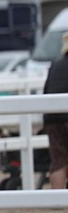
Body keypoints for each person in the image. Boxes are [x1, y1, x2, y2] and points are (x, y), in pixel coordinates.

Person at [42, 31, 68, 190]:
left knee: (58, 160)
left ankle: (57, 200)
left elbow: (46, 92)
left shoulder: (56, 66)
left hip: (53, 118)